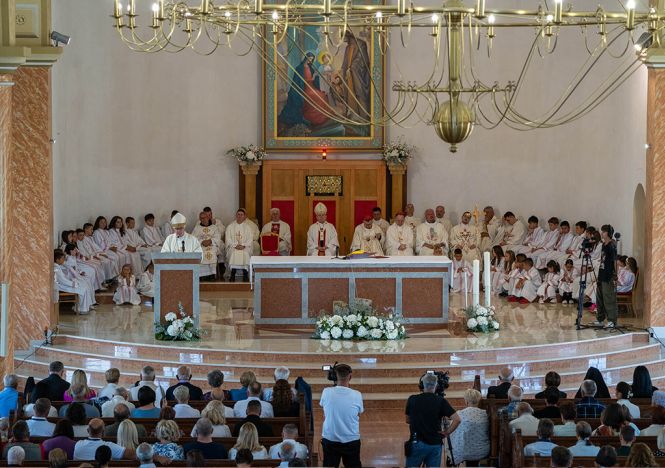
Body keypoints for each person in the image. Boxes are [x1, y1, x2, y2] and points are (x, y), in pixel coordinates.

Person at [404, 372, 458, 468]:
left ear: (422, 385)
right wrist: (446, 432)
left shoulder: (412, 399)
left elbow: (408, 420)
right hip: (435, 444)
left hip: (416, 443)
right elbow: (457, 419)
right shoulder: (441, 401)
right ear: (436, 386)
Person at [320, 364, 363, 468]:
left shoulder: (326, 392)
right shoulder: (357, 394)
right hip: (351, 439)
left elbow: (324, 409)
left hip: (330, 438)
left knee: (329, 465)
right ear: (350, 377)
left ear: (335, 376)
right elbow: (358, 413)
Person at [448, 388, 489, 466]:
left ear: (466, 401)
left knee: (452, 434)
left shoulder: (459, 414)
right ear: (478, 401)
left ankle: (452, 460)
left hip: (464, 452)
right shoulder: (485, 414)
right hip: (482, 451)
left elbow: (452, 431)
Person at [591, 224, 619, 328]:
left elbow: (615, 261)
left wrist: (615, 275)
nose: (601, 233)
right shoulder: (603, 245)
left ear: (608, 233)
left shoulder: (612, 245)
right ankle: (600, 319)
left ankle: (612, 320)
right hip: (602, 273)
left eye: (603, 231)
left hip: (609, 275)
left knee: (608, 298)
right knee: (600, 298)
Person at [54, 250, 93, 315]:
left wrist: (72, 282)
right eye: (62, 259)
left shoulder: (57, 266)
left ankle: (84, 307)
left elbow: (64, 278)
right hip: (61, 286)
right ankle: (81, 309)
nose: (63, 260)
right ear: (57, 260)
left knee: (83, 286)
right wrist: (73, 284)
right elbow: (62, 281)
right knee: (82, 288)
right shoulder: (56, 268)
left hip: (64, 284)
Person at [192, 211, 223, 281]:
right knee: (201, 253)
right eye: (201, 218)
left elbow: (218, 237)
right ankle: (202, 275)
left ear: (208, 218)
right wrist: (201, 242)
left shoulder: (214, 227)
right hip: (201, 246)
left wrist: (211, 241)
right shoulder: (197, 228)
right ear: (200, 219)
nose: (203, 219)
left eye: (204, 218)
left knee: (212, 252)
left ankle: (212, 274)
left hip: (212, 245)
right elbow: (193, 239)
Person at [225, 209, 254, 282]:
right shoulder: (230, 226)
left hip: (245, 247)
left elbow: (250, 239)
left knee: (245, 253)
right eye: (238, 214)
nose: (240, 216)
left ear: (244, 216)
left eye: (241, 215)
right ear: (236, 215)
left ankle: (245, 274)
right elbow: (228, 238)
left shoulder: (248, 227)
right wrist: (235, 245)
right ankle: (232, 274)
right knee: (233, 253)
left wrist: (243, 245)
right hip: (233, 247)